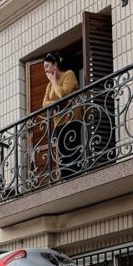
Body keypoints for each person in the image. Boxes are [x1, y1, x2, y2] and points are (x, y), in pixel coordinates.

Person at [41, 52, 83, 180]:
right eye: (44, 68)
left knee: (72, 148)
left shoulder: (68, 74)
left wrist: (54, 81)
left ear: (55, 65)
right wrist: (57, 102)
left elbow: (63, 94)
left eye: (47, 66)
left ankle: (76, 177)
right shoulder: (48, 86)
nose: (46, 69)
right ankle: (66, 179)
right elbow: (44, 104)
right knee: (63, 152)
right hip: (58, 121)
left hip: (72, 117)